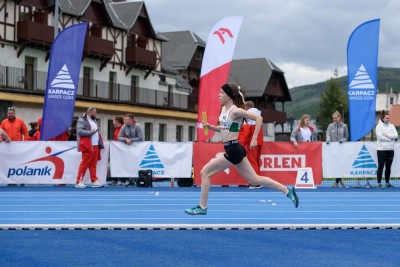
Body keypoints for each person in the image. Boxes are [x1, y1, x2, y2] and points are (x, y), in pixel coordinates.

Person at [184, 83, 299, 215]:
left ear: (229, 95)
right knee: (255, 180)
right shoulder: (223, 110)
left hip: (233, 149)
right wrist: (211, 127)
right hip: (233, 149)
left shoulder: (236, 111)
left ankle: (202, 207)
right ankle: (287, 190)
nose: (219, 95)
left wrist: (254, 138)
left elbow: (259, 118)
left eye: (222, 93)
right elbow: (224, 129)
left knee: (205, 172)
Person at [75, 107, 104, 188]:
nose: (96, 114)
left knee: (93, 164)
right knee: (84, 163)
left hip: (95, 145)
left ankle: (94, 180)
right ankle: (78, 181)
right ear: (90, 112)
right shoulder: (81, 120)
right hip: (88, 145)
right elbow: (79, 131)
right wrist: (91, 132)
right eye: (95, 112)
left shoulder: (94, 120)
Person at [238, 101, 263, 189]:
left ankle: (255, 182)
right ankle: (257, 181)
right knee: (256, 161)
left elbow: (246, 131)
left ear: (246, 107)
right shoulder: (257, 114)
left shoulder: (249, 116)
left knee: (252, 161)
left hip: (251, 141)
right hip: (258, 140)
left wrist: (241, 143)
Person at [118, 113, 144, 186]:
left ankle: (137, 179)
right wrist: (125, 139)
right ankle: (130, 180)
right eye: (124, 120)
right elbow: (118, 137)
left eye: (126, 120)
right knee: (129, 164)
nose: (124, 121)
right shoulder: (124, 127)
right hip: (129, 149)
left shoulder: (138, 126)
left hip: (138, 149)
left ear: (131, 120)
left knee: (136, 164)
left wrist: (131, 140)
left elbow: (141, 138)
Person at [326, 111, 349, 188]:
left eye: (335, 118)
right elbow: (328, 134)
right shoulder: (330, 126)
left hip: (342, 149)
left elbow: (347, 137)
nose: (334, 120)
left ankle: (337, 182)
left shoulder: (344, 126)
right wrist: (328, 139)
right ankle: (340, 180)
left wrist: (342, 140)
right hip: (332, 149)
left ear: (339, 117)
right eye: (333, 118)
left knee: (340, 165)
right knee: (335, 165)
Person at [375, 110, 398, 189]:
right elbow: (380, 137)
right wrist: (389, 139)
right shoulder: (378, 126)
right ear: (383, 118)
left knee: (388, 167)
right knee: (381, 166)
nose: (388, 120)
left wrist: (387, 135)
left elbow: (396, 135)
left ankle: (387, 182)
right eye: (386, 118)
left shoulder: (392, 126)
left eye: (389, 118)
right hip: (381, 150)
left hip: (390, 149)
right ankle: (379, 183)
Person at [109, 115, 124, 186]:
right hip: (116, 150)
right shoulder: (116, 129)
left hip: (122, 150)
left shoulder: (123, 128)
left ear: (117, 121)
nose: (112, 122)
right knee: (114, 164)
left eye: (113, 121)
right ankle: (114, 180)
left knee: (122, 164)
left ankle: (123, 181)